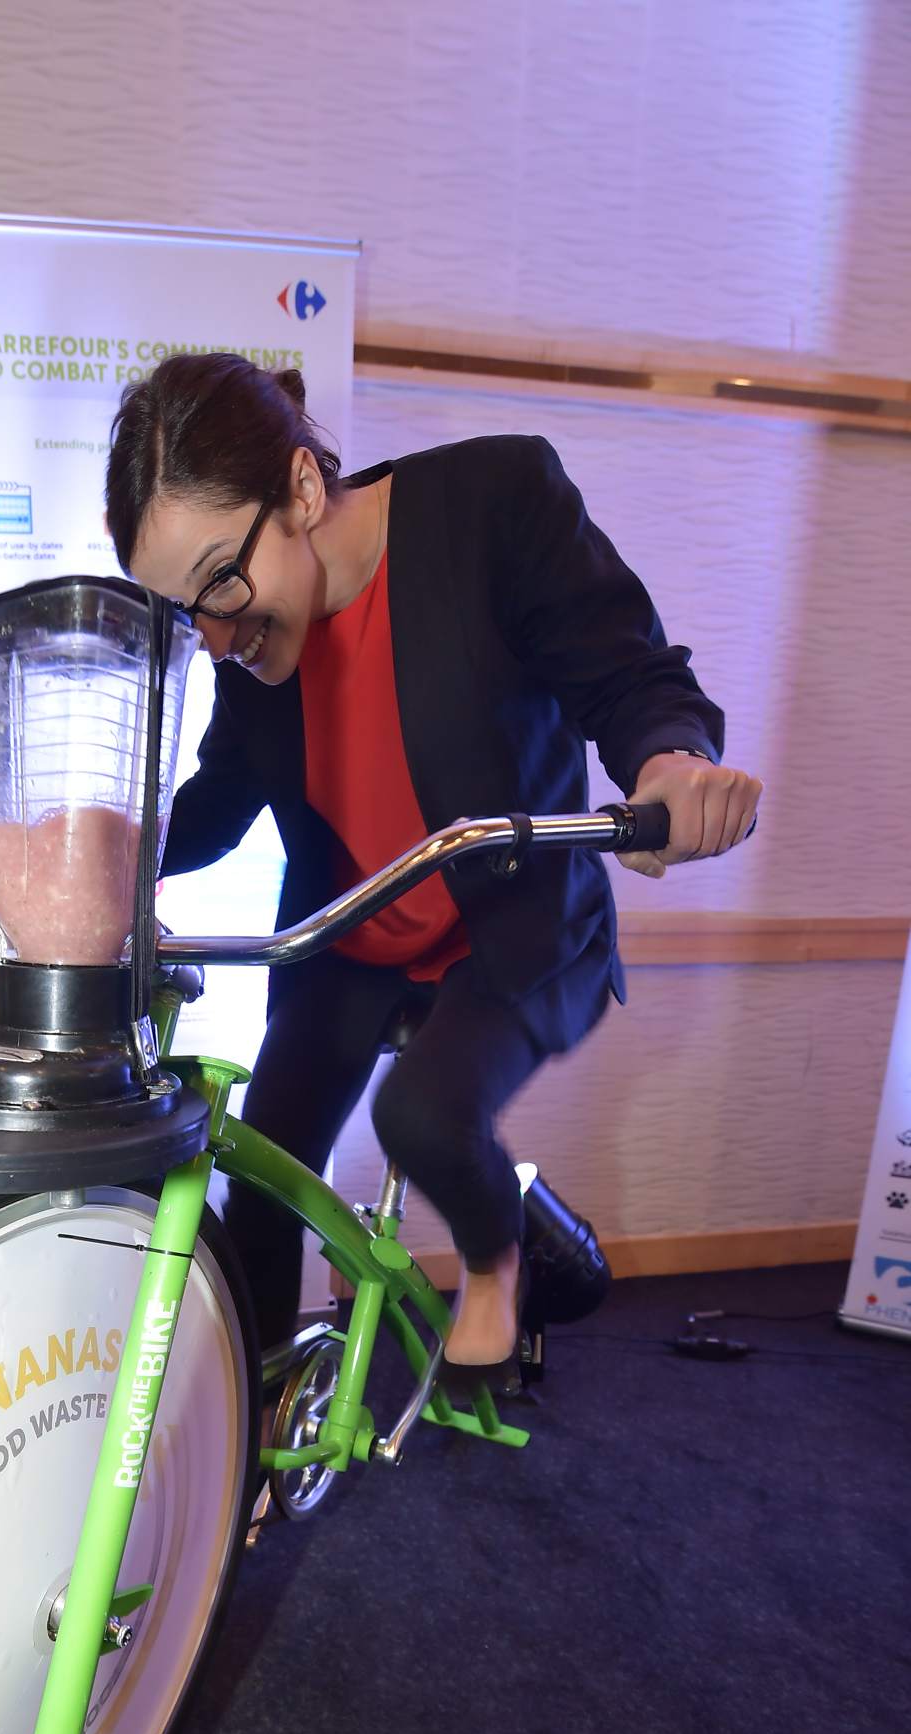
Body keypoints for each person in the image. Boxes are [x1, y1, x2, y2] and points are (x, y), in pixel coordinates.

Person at [105, 353, 761, 1389]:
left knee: (420, 1115)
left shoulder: (491, 502)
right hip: (351, 940)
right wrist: (106, 856)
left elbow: (628, 673)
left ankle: (501, 1259)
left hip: (509, 932)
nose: (216, 637)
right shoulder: (254, 643)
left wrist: (670, 763)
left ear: (303, 489)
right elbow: (224, 798)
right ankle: (258, 1410)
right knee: (262, 1173)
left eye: (222, 581)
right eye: (189, 613)